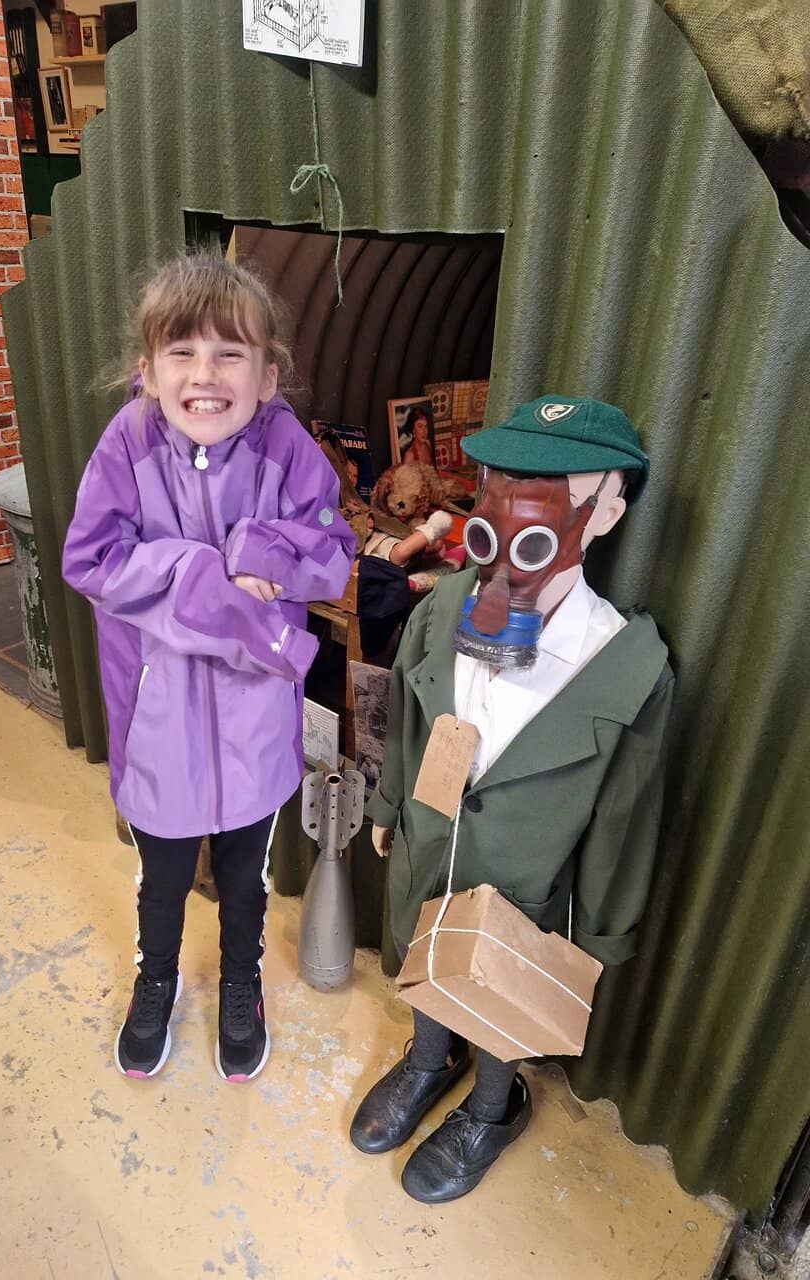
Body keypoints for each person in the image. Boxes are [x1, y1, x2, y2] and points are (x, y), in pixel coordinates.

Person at [349, 395, 674, 1203]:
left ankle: (493, 1107)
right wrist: (390, 807)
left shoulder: (624, 668)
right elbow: (411, 715)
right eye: (504, 485)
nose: (518, 513)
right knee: (423, 949)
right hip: (432, 845)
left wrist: (599, 929)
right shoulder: (444, 608)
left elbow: (625, 815)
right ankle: (430, 1060)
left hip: (529, 885)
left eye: (552, 493)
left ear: (604, 515)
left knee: (503, 990)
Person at [62, 253, 356, 1084]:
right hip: (156, 717)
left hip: (254, 715)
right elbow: (92, 559)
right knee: (161, 876)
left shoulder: (288, 448)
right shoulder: (127, 443)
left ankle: (240, 984)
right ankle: (155, 981)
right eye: (182, 352)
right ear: (148, 368)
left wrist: (265, 550)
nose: (205, 375)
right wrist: (201, 575)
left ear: (268, 375)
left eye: (231, 354)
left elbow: (332, 551)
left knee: (244, 874)